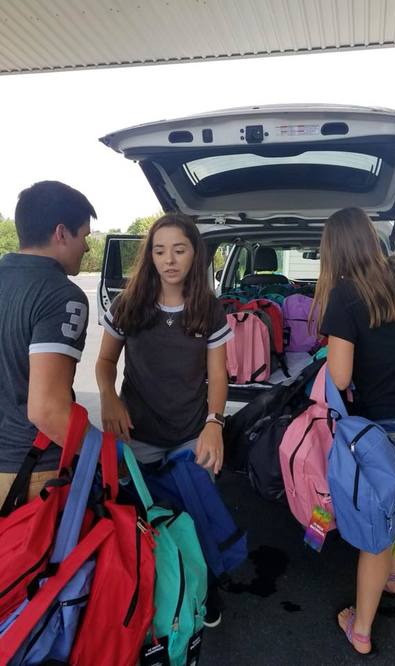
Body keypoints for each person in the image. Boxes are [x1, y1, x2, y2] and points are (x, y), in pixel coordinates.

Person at [95, 212, 233, 625]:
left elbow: (218, 374)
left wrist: (215, 423)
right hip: (137, 434)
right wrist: (108, 398)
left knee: (197, 516)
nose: (169, 260)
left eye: (179, 250)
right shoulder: (128, 304)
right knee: (142, 520)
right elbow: (104, 362)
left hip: (191, 434)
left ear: (195, 254)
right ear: (149, 256)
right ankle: (153, 593)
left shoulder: (209, 309)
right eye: (159, 251)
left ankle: (203, 586)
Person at [313, 207, 395, 656]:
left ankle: (360, 630)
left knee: (374, 532)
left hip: (382, 431)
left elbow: (340, 378)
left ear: (334, 250)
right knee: (391, 500)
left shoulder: (344, 296)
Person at [0, 180, 96, 506]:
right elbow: (48, 411)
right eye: (84, 236)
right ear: (61, 233)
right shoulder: (62, 295)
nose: (87, 248)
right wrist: (106, 451)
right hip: (30, 473)